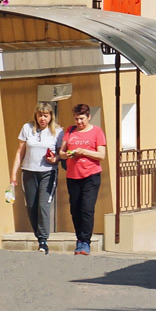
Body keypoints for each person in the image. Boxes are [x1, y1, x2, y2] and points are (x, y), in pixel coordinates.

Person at [9, 103, 62, 254]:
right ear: (36, 116)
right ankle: (39, 237)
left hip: (48, 172)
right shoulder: (27, 128)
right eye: (40, 115)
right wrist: (13, 174)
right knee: (31, 206)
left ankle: (43, 241)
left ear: (50, 116)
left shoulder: (57, 131)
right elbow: (20, 151)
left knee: (43, 205)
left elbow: (60, 154)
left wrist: (55, 159)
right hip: (29, 171)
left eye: (46, 115)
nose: (42, 118)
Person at [59, 103, 106, 255]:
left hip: (91, 176)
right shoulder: (70, 131)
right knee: (75, 209)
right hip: (73, 176)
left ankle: (85, 241)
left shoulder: (97, 132)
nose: (79, 122)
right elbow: (62, 152)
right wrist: (67, 155)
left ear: (88, 117)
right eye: (76, 119)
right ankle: (79, 239)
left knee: (87, 209)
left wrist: (84, 152)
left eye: (81, 119)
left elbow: (101, 155)